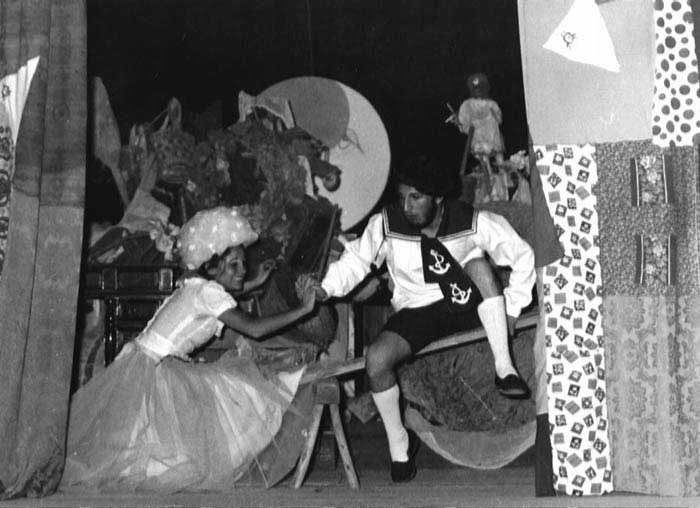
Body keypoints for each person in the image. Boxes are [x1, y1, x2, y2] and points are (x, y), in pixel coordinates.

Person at [299, 156, 535, 483]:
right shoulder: (387, 223)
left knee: (479, 266)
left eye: (416, 197)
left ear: (437, 197)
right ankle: (400, 444)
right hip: (416, 311)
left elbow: (523, 255)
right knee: (376, 360)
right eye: (402, 197)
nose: (407, 206)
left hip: (466, 303)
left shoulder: (470, 220)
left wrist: (512, 309)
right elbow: (356, 262)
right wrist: (325, 289)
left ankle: (504, 368)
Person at [61, 206, 317, 492]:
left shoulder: (192, 283)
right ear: (211, 265)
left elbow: (218, 296)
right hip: (159, 369)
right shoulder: (209, 293)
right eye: (234, 265)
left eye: (243, 264)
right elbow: (254, 328)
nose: (243, 271)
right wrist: (304, 309)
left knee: (141, 443)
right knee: (239, 392)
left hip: (139, 360)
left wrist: (253, 283)